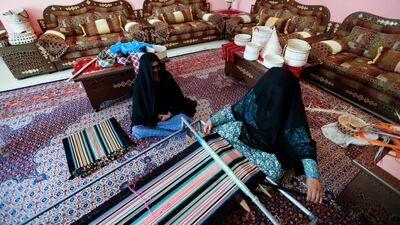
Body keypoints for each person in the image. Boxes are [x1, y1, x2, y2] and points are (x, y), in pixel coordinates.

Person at [203, 67, 323, 203]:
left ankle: (234, 181)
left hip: (271, 152)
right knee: (220, 131)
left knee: (268, 175)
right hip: (248, 134)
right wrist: (213, 120)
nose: (272, 99)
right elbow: (235, 110)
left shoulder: (292, 115)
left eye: (278, 96)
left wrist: (312, 177)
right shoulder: (259, 94)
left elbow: (303, 144)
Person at [131, 53, 197, 139]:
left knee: (185, 118)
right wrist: (155, 117)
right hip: (152, 117)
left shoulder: (165, 75)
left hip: (168, 114)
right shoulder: (140, 83)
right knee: (136, 130)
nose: (156, 70)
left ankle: (157, 129)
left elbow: (177, 96)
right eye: (152, 68)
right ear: (146, 69)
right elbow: (138, 108)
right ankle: (178, 133)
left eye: (157, 66)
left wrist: (169, 114)